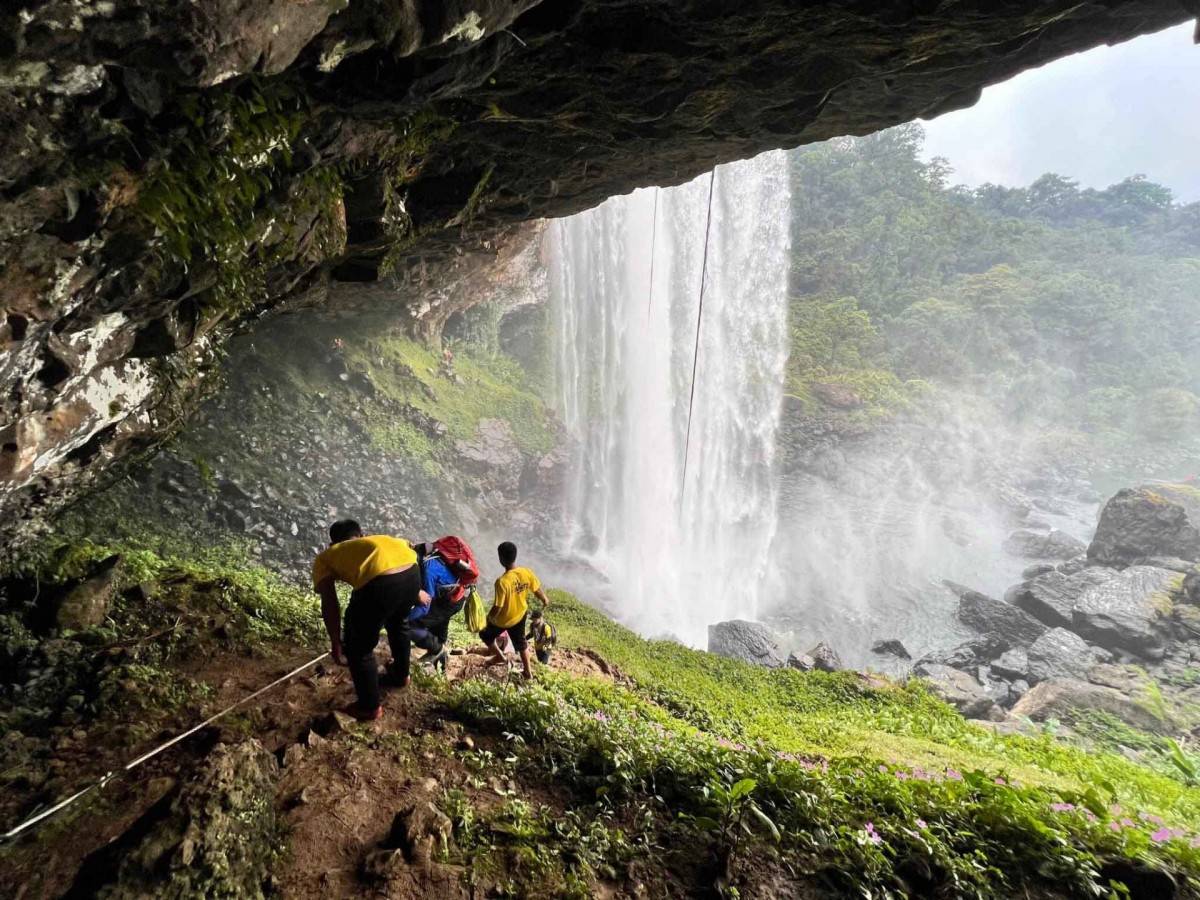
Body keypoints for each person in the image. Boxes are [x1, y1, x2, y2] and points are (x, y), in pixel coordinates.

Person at [312, 520, 425, 720]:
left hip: (381, 583)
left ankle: (369, 707)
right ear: (362, 534)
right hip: (412, 572)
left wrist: (336, 641)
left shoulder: (328, 556)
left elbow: (330, 600)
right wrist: (413, 592)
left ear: (333, 543)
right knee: (399, 623)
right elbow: (411, 554)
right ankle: (401, 676)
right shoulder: (384, 539)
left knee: (358, 648)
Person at [481, 541, 550, 680]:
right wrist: (544, 599)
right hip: (520, 615)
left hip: (504, 620)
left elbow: (498, 607)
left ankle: (499, 657)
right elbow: (536, 589)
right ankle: (528, 673)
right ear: (515, 556)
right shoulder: (526, 572)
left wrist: (488, 618)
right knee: (521, 643)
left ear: (500, 558)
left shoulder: (502, 582)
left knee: (485, 635)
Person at [408, 547, 469, 669]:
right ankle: (440, 666)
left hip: (449, 602)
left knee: (411, 624)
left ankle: (437, 652)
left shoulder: (428, 571)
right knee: (439, 626)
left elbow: (425, 606)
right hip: (451, 596)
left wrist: (405, 619)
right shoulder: (425, 556)